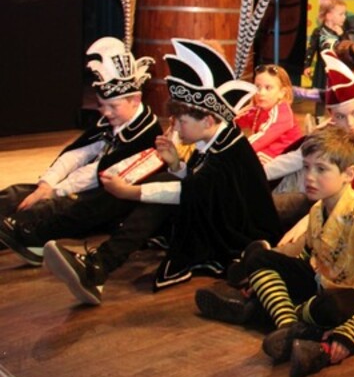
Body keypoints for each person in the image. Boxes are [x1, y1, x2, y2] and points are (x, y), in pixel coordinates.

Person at [42, 39, 282, 302]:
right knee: (155, 179)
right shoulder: (214, 138)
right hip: (214, 219)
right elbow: (200, 188)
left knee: (154, 189)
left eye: (182, 121)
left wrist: (130, 192)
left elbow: (189, 192)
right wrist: (177, 164)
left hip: (237, 236)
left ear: (207, 120)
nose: (176, 128)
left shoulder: (230, 150)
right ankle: (72, 244)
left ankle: (98, 264)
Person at [195, 126, 354, 377]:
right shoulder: (318, 210)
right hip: (321, 282)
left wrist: (350, 332)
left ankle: (267, 310)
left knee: (331, 306)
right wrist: (281, 271)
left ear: (349, 174)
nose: (309, 177)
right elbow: (309, 254)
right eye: (306, 167)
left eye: (321, 169)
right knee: (259, 258)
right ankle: (289, 325)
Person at [0, 37, 161, 265]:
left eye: (113, 106)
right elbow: (77, 154)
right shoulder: (113, 120)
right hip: (77, 187)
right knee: (16, 194)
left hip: (99, 201)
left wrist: (54, 192)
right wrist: (46, 184)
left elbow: (96, 174)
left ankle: (23, 235)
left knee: (44, 208)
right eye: (101, 105)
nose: (105, 112)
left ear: (135, 100)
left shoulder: (148, 133)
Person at [264, 51, 354, 229]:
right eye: (341, 116)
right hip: (317, 196)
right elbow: (297, 157)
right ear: (331, 115)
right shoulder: (330, 129)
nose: (350, 123)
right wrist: (259, 172)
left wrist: (309, 220)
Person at [235, 64, 303, 163]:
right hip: (272, 155)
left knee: (249, 160)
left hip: (288, 160)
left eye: (268, 88)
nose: (261, 93)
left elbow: (262, 138)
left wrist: (238, 150)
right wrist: (246, 108)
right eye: (257, 87)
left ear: (282, 92)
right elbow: (235, 121)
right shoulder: (259, 109)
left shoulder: (282, 112)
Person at [303, 0, 347, 113]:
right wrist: (307, 65)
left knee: (337, 94)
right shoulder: (319, 32)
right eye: (341, 14)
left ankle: (338, 116)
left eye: (344, 14)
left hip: (337, 69)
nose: (344, 17)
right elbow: (311, 49)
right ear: (328, 16)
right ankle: (319, 116)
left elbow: (347, 48)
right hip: (322, 69)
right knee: (321, 94)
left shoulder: (342, 32)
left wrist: (342, 35)